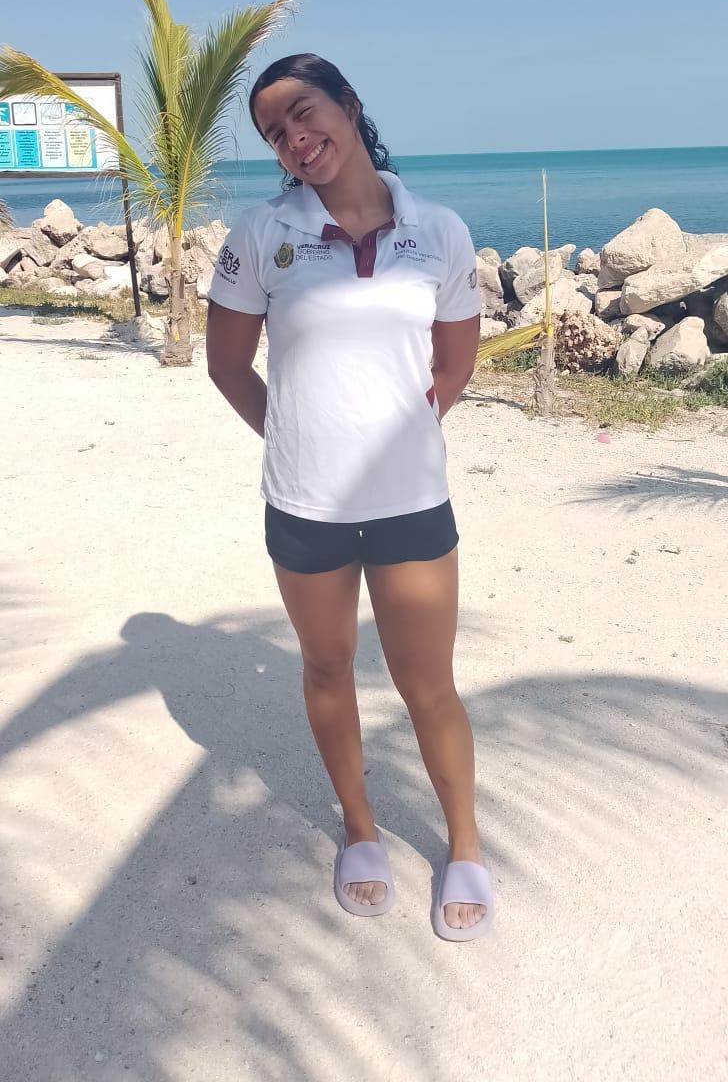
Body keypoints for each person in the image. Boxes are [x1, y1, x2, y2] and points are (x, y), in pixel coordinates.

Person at [205, 53, 493, 941]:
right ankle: (361, 831)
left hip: (411, 502)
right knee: (327, 668)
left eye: (304, 111)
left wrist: (403, 433)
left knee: (428, 684)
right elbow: (227, 366)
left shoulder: (438, 230)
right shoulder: (261, 234)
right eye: (274, 132)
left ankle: (465, 845)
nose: (294, 138)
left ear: (349, 104)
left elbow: (455, 363)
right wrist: (298, 438)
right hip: (305, 506)